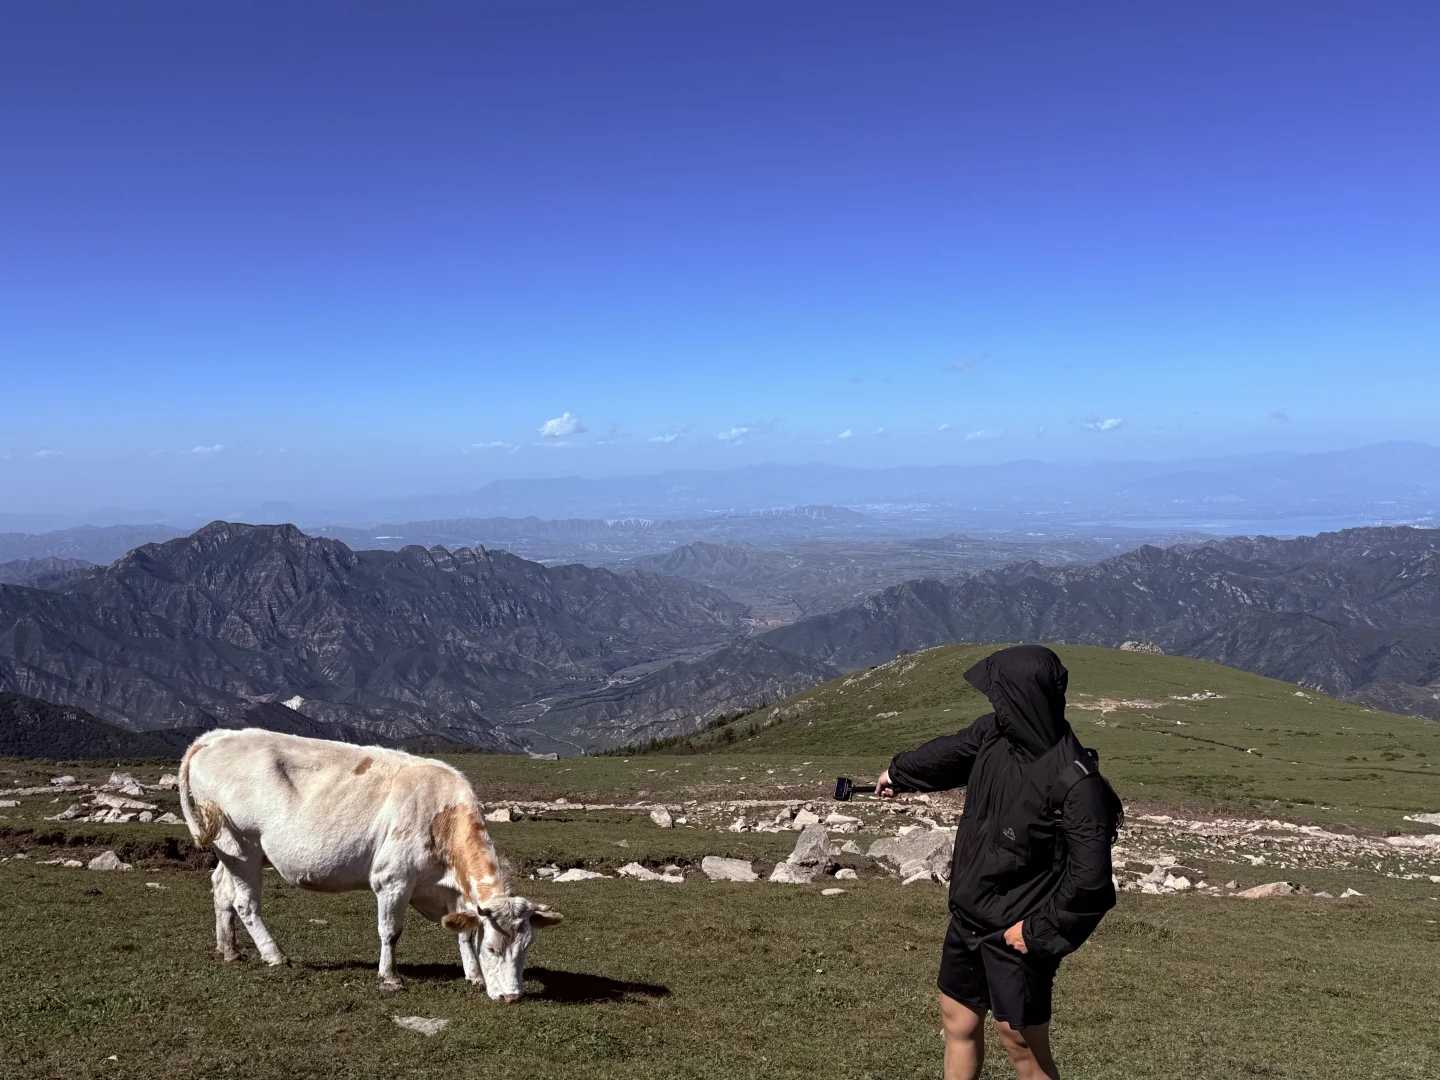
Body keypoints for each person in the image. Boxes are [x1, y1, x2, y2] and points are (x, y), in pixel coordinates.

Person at [875, 645, 1122, 1080]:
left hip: (1017, 931)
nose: (993, 703)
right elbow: (948, 754)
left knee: (1021, 1043)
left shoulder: (1079, 785)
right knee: (957, 1018)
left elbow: (1091, 883)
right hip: (969, 913)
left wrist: (1037, 932)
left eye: (999, 694)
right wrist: (898, 774)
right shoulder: (995, 735)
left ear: (1022, 696)